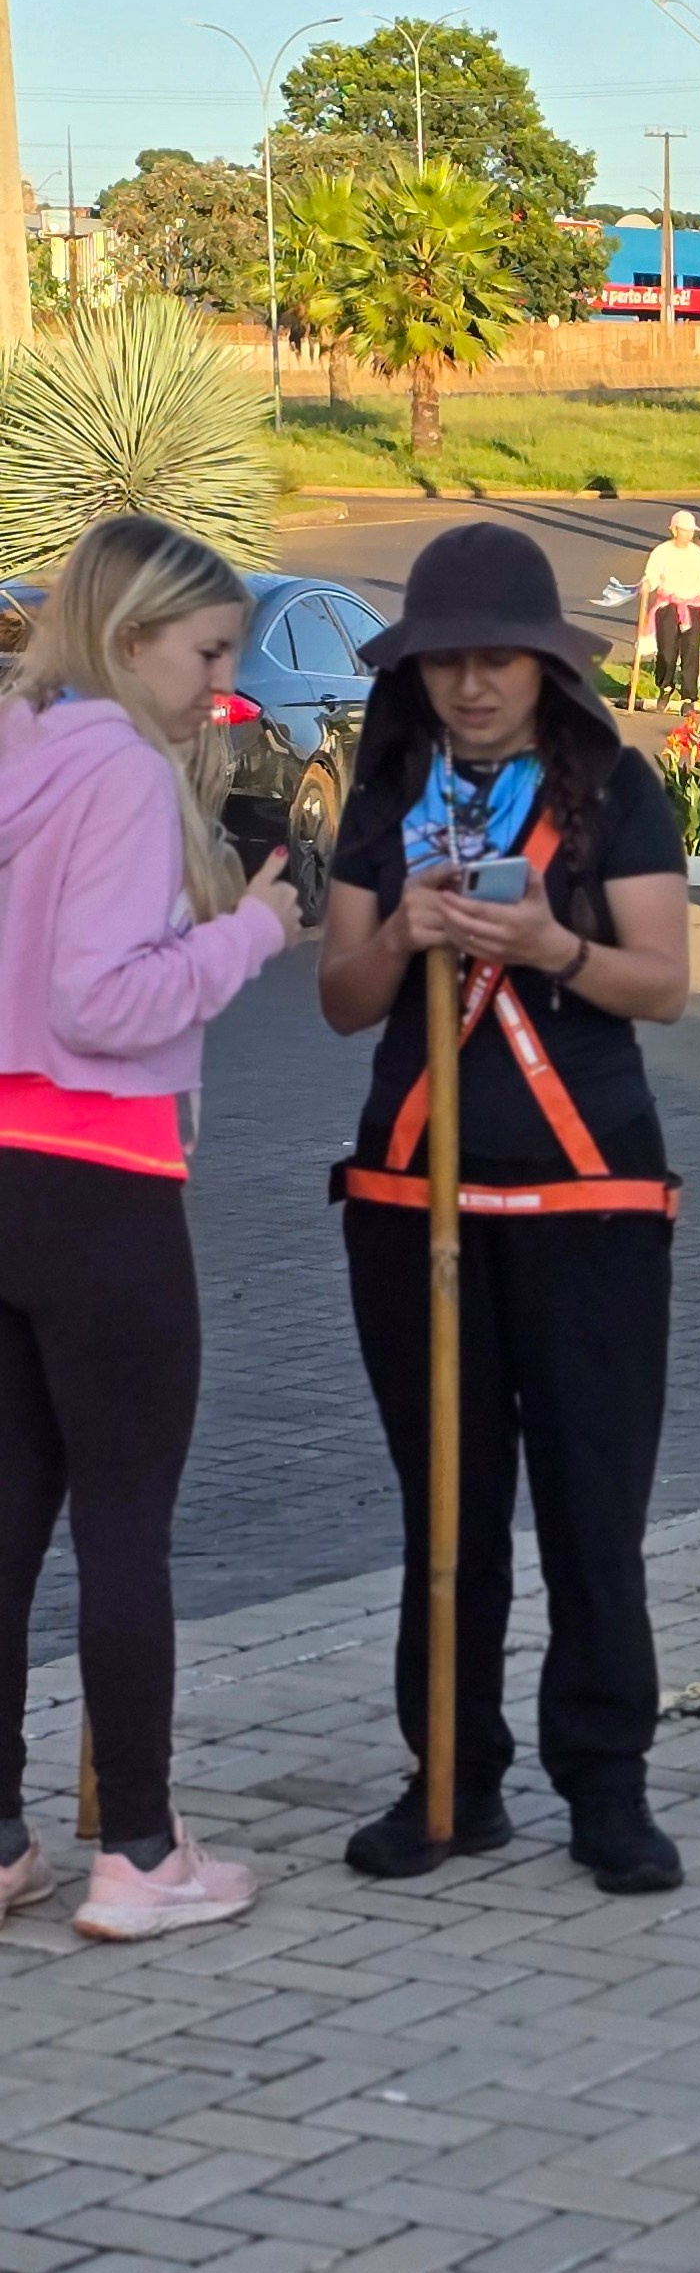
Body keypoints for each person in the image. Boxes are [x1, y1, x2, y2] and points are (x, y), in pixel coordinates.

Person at [320, 521, 693, 1895]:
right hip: (413, 1195)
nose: (471, 686)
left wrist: (550, 945)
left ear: (546, 664)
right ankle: (451, 1777)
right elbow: (341, 998)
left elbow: (662, 982)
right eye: (445, 664)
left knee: (594, 1504)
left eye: (497, 661)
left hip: (589, 1198)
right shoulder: (385, 795)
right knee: (448, 1510)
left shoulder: (616, 791)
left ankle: (607, 1783)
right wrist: (401, 933)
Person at [0, 516, 302, 1944]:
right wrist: (251, 931)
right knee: (125, 1517)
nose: (219, 685)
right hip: (101, 1176)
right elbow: (102, 998)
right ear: (132, 643)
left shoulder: (20, 749)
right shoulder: (121, 769)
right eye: (207, 652)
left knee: (9, 1516)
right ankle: (137, 1848)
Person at [638, 510, 700, 708]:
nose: (689, 535)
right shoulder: (661, 552)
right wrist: (647, 584)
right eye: (685, 530)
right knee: (666, 651)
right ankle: (666, 686)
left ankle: (688, 697)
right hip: (668, 606)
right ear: (674, 530)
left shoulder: (698, 554)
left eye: (691, 531)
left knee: (691, 651)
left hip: (693, 607)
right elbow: (652, 576)